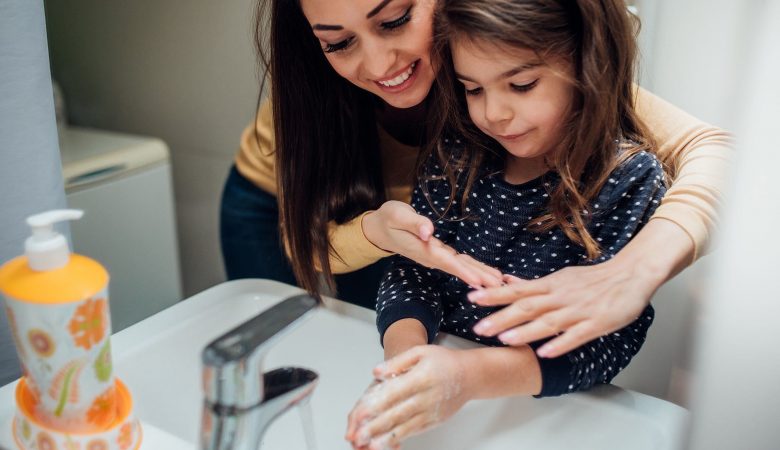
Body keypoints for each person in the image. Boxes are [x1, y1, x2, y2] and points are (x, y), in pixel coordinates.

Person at [220, 0, 729, 344]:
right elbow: (302, 247)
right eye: (337, 43)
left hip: (409, 232)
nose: (378, 64)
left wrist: (634, 270)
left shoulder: (505, 64)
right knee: (320, 347)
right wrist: (374, 233)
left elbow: (717, 152)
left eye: (395, 19)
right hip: (291, 212)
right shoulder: (313, 100)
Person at [345, 1, 670, 448]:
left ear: (588, 64)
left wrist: (466, 377)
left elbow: (607, 340)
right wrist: (405, 363)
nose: (492, 113)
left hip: (548, 412)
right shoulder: (456, 155)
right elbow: (415, 273)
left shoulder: (627, 179)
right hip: (444, 392)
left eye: (520, 84)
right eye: (472, 89)